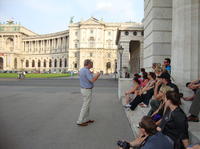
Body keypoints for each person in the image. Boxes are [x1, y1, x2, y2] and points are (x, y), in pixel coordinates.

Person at [77, 59, 100, 126]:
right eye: (91, 64)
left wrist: (92, 74)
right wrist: (98, 75)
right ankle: (80, 121)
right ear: (88, 64)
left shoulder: (82, 70)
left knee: (87, 105)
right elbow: (92, 80)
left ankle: (86, 119)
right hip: (86, 90)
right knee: (85, 106)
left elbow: (87, 78)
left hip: (84, 89)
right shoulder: (86, 71)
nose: (92, 65)